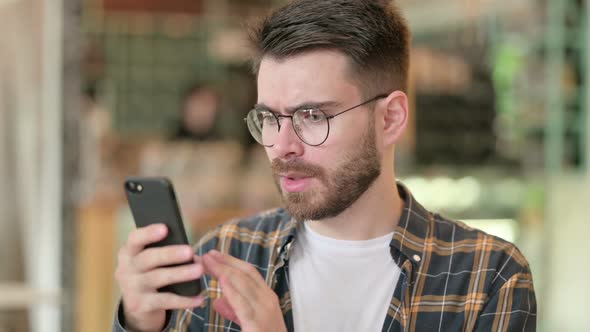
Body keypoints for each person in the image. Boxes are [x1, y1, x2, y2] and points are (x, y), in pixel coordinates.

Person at [113, 1, 537, 331]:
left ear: (389, 119)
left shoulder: (486, 277)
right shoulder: (226, 255)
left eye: (312, 117)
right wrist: (140, 324)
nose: (282, 146)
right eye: (269, 119)